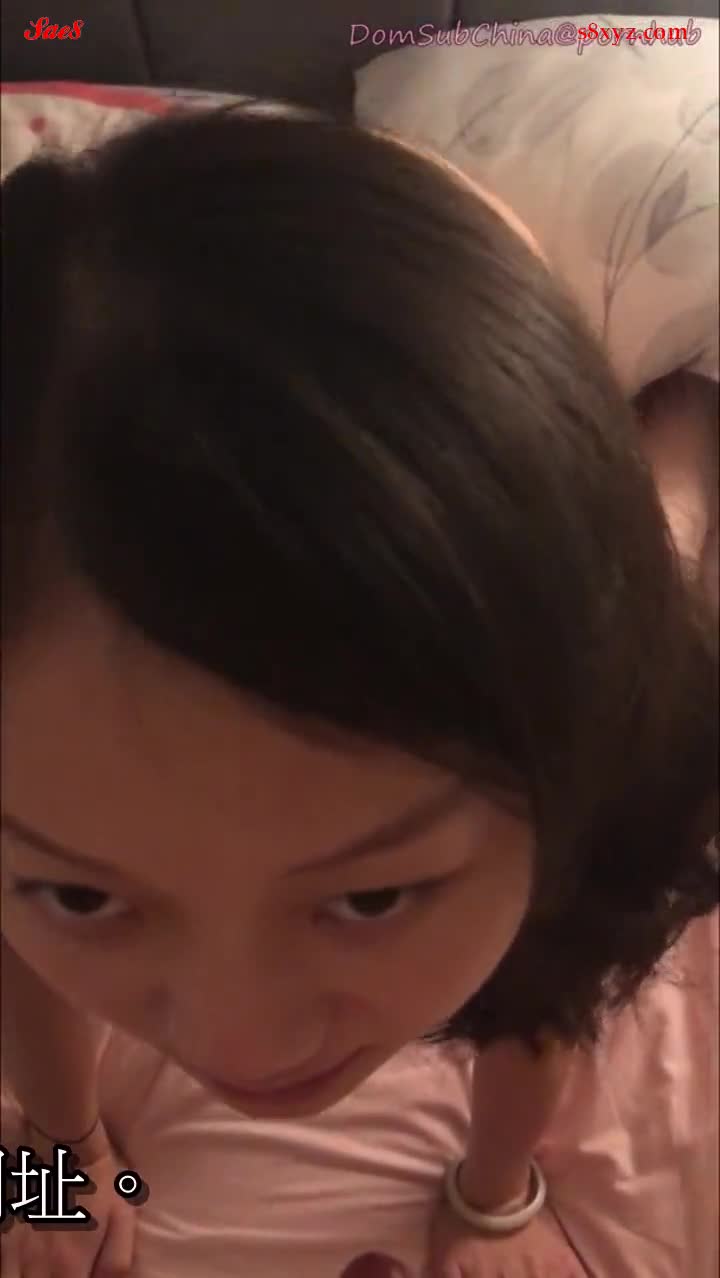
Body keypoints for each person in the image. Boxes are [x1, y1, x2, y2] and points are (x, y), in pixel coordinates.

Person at [1, 103, 717, 1278]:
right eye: (83, 894)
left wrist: (495, 1199)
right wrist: (57, 1156)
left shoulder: (592, 731)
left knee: (662, 537)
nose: (245, 1046)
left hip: (464, 285)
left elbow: (557, 968)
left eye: (374, 896)